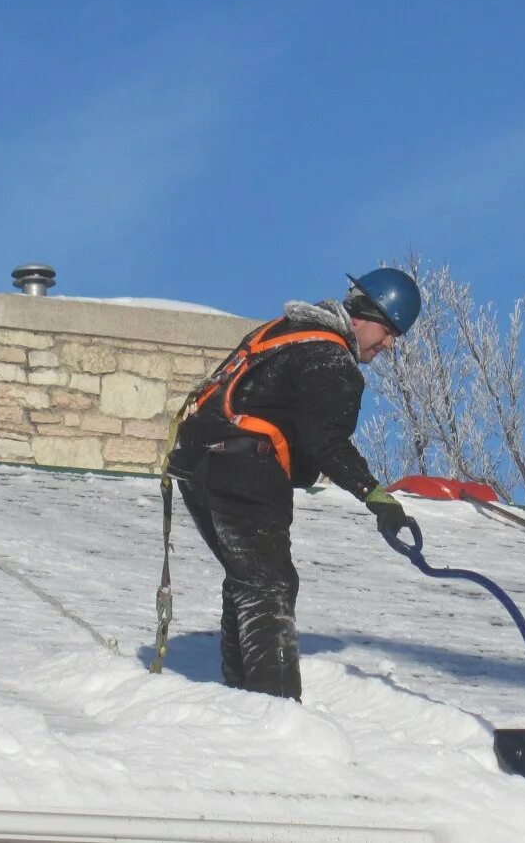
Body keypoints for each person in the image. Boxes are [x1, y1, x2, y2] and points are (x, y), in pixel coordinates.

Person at [164, 268, 421, 701]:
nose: (390, 345)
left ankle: (241, 698)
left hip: (196, 468)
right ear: (363, 315)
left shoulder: (284, 333)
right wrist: (377, 497)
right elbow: (327, 445)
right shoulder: (331, 358)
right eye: (390, 330)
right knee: (271, 586)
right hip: (244, 467)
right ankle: (275, 709)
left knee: (250, 579)